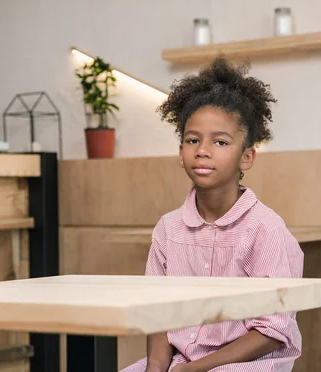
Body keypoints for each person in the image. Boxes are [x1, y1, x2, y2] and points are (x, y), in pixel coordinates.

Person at [120, 57, 304, 372]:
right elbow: (158, 313)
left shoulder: (264, 229)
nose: (203, 150)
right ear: (181, 154)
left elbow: (273, 331)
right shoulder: (168, 229)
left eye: (220, 141)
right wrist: (156, 368)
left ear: (247, 157)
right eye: (193, 140)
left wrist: (194, 368)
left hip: (247, 364)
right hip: (181, 362)